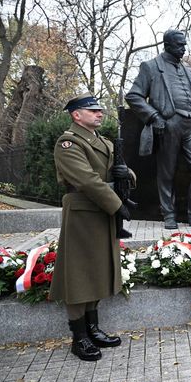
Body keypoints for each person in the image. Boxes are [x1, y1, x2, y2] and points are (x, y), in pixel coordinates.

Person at [50, 94, 133, 361]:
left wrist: (127, 175)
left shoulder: (104, 142)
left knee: (98, 269)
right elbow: (86, 181)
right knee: (79, 274)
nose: (99, 114)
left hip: (101, 212)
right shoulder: (68, 143)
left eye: (100, 110)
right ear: (76, 115)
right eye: (93, 110)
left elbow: (120, 171)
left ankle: (93, 328)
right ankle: (79, 337)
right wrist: (117, 205)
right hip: (83, 213)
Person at [126, 29, 191, 229]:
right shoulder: (151, 67)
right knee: (166, 172)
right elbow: (133, 96)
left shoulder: (188, 70)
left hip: (190, 125)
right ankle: (168, 214)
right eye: (180, 45)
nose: (184, 49)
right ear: (167, 45)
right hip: (168, 124)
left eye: (184, 44)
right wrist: (153, 116)